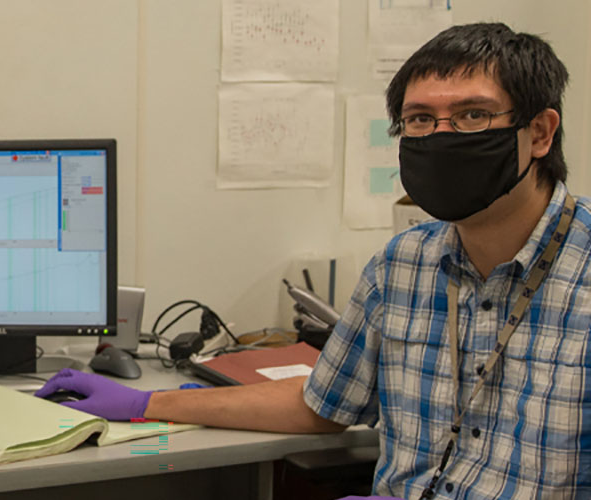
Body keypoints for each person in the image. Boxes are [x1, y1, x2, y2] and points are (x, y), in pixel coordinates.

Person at [37, 23, 579, 499]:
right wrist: (144, 402)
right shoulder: (404, 265)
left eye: (471, 115)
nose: (440, 136)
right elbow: (321, 403)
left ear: (539, 133)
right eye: (419, 120)